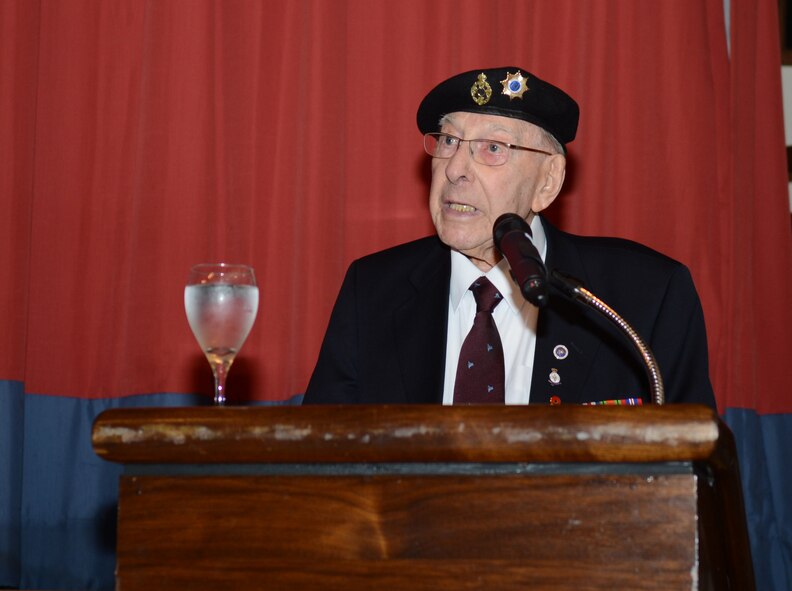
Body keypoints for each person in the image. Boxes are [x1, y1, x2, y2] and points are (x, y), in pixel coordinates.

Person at [302, 66, 716, 408]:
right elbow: (319, 465)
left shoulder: (642, 297)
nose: (454, 169)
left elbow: (692, 478)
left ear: (548, 182)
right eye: (449, 141)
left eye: (493, 148)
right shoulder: (373, 290)